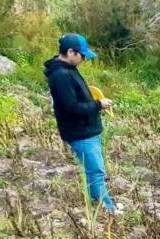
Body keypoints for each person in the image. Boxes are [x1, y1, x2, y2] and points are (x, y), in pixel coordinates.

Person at [44, 33, 118, 213]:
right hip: (81, 133)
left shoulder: (67, 69)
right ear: (70, 52)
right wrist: (98, 105)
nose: (84, 58)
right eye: (82, 55)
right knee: (96, 172)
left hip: (87, 130)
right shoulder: (61, 75)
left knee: (95, 171)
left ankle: (100, 203)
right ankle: (108, 209)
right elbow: (71, 107)